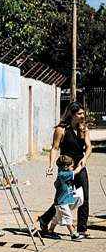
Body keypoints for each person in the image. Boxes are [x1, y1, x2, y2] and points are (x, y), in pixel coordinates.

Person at [38, 102, 92, 239]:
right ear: (72, 114)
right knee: (63, 197)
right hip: (66, 167)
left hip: (80, 166)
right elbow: (55, 148)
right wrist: (50, 165)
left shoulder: (83, 128)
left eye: (82, 113)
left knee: (83, 196)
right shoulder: (61, 129)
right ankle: (45, 219)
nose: (82, 115)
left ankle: (82, 229)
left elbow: (89, 147)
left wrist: (85, 158)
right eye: (79, 113)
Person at [47, 155, 85, 241]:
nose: (73, 167)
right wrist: (81, 165)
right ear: (66, 167)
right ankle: (73, 234)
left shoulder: (62, 171)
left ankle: (50, 230)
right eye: (71, 166)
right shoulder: (64, 174)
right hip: (62, 202)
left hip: (61, 201)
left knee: (57, 217)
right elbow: (76, 172)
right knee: (68, 217)